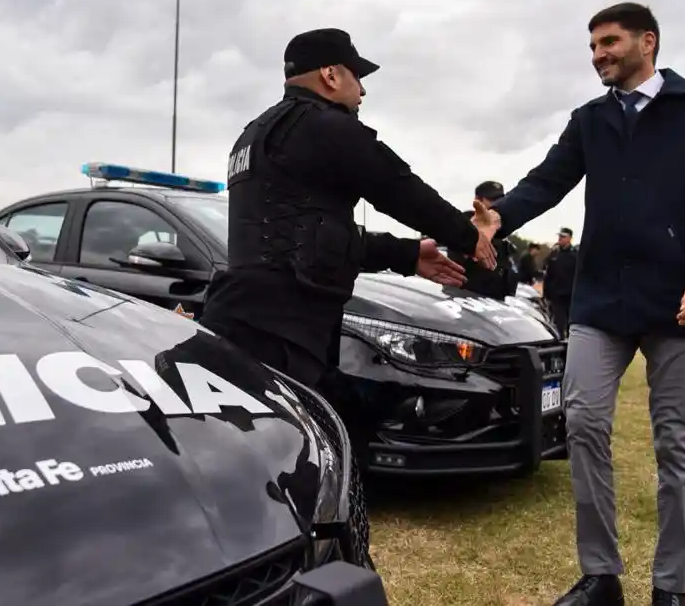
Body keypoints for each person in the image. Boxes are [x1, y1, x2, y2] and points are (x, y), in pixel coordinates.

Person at [484, 2, 685, 606]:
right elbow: (545, 181)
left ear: (648, 42)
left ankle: (670, 587)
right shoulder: (589, 120)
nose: (599, 55)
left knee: (677, 443)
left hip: (682, 302)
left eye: (609, 42)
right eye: (592, 47)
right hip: (602, 300)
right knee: (581, 423)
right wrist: (497, 217)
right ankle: (601, 575)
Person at [198, 27, 499, 393]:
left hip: (242, 320)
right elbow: (399, 187)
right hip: (284, 335)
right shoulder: (325, 127)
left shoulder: (254, 134)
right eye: (357, 76)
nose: (363, 90)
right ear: (331, 74)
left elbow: (311, 235)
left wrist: (405, 255)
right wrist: (470, 237)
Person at [453, 180, 520, 300]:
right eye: (492, 199)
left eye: (500, 199)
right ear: (477, 200)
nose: (497, 204)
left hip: (497, 300)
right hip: (467, 300)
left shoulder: (502, 227)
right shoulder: (464, 223)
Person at [543, 227, 578, 337]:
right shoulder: (554, 254)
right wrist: (546, 294)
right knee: (558, 324)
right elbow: (548, 275)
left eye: (563, 237)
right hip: (556, 295)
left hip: (570, 295)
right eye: (559, 236)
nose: (560, 239)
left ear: (570, 239)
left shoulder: (576, 255)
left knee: (571, 324)